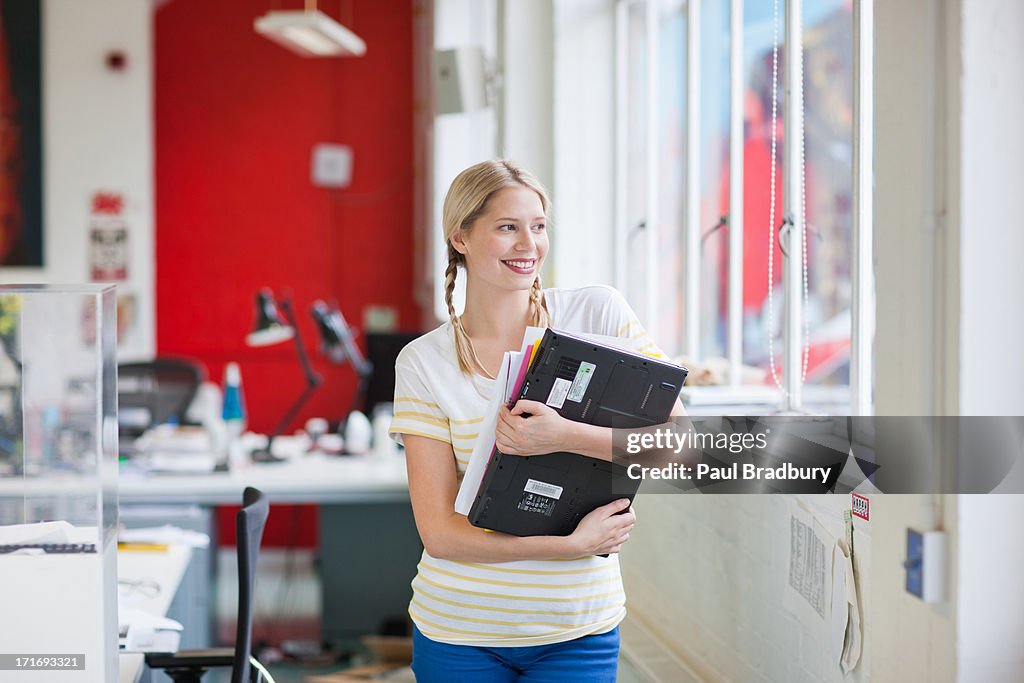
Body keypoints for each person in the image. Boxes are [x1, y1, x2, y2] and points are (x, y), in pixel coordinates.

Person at [389, 159, 684, 682]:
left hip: (577, 627)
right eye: (507, 227)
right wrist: (571, 547)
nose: (529, 244)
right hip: (460, 629)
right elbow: (440, 534)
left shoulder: (598, 315)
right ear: (461, 236)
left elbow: (676, 444)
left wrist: (563, 435)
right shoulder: (423, 361)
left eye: (538, 226)